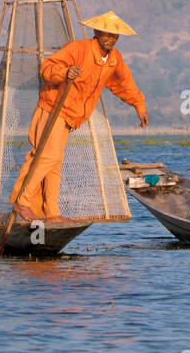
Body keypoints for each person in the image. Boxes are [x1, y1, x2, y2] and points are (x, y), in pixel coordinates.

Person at [10, 11, 148, 223]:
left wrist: (139, 105)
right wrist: (64, 73)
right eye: (106, 34)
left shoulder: (113, 60)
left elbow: (123, 84)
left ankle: (51, 213)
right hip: (53, 109)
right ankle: (23, 201)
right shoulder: (78, 49)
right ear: (96, 32)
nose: (111, 39)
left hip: (71, 117)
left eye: (115, 35)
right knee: (47, 157)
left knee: (55, 163)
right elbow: (47, 68)